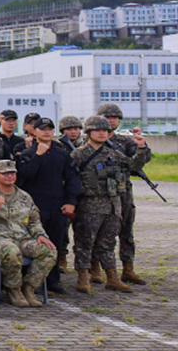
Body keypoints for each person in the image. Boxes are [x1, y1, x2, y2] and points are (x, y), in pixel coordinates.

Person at [70, 115, 149, 294]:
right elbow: (69, 181)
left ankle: (112, 277)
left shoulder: (114, 153)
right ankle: (83, 277)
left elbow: (133, 165)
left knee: (107, 243)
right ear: (89, 132)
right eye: (98, 130)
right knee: (84, 242)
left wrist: (141, 146)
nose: (102, 133)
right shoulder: (79, 154)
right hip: (89, 205)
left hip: (113, 205)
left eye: (105, 130)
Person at [0, 160, 56, 307]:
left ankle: (29, 287)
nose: (9, 176)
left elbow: (34, 221)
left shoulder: (25, 197)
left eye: (12, 173)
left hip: (22, 238)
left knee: (49, 251)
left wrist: (41, 235)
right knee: (11, 251)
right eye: (5, 174)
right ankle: (14, 289)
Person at [15, 117, 80, 295]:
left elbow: (73, 178)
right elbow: (24, 176)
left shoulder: (62, 154)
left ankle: (53, 280)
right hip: (35, 207)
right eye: (42, 129)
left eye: (50, 129)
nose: (46, 132)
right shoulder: (27, 154)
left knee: (56, 243)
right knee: (33, 244)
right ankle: (31, 281)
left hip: (57, 205)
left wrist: (70, 202)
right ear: (34, 132)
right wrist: (38, 156)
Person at [96, 102, 152, 285]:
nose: (111, 121)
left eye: (115, 117)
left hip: (123, 191)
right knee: (98, 232)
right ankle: (95, 268)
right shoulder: (92, 139)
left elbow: (142, 160)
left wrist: (141, 145)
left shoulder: (125, 141)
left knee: (126, 231)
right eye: (107, 117)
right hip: (100, 193)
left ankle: (128, 269)